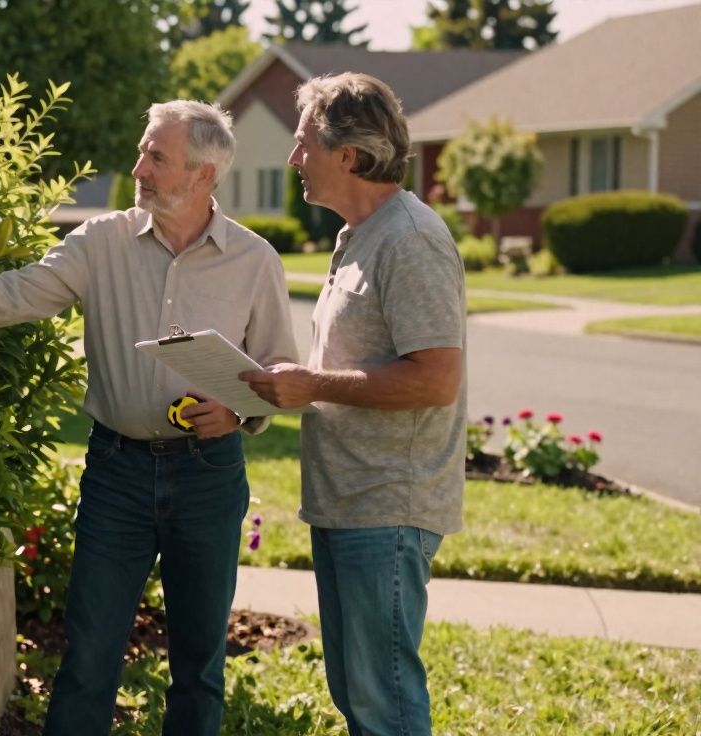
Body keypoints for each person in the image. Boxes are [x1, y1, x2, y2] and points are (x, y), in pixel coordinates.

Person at [0, 100, 297, 736]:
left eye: (158, 157)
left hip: (210, 477)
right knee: (89, 657)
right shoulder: (100, 242)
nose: (140, 168)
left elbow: (279, 370)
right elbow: (15, 293)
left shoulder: (254, 260)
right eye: (143, 151)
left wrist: (239, 412)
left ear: (204, 175)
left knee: (199, 664)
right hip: (116, 475)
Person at [240, 72, 466, 735]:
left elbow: (435, 379)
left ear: (350, 155)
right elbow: (350, 368)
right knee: (359, 695)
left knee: (385, 703)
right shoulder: (356, 237)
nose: (293, 160)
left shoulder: (411, 239)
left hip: (388, 505)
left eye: (304, 142)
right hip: (347, 500)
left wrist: (311, 385)